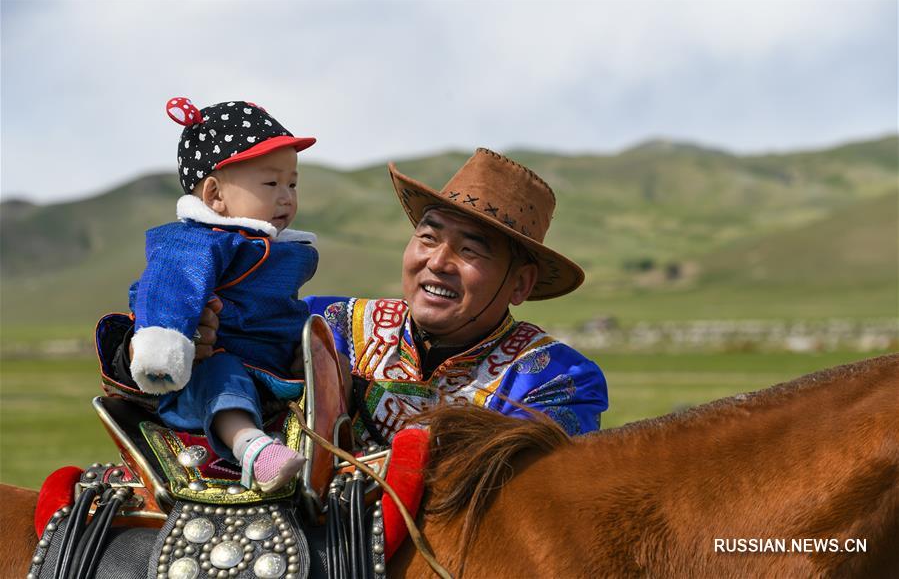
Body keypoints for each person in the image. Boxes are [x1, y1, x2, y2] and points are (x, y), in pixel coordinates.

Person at [104, 147, 608, 446]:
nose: (437, 262)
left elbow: (516, 490)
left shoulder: (559, 379)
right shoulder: (327, 323)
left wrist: (355, 393)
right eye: (428, 237)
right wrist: (188, 343)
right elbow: (189, 368)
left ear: (520, 284)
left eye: (470, 250)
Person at [127, 96, 318, 492]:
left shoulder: (280, 250)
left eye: (293, 183)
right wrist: (163, 346)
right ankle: (253, 449)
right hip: (209, 375)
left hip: (270, 369)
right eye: (271, 183)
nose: (286, 195)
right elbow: (170, 287)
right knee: (222, 375)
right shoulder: (198, 242)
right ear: (214, 195)